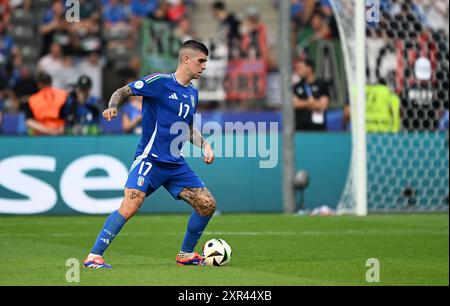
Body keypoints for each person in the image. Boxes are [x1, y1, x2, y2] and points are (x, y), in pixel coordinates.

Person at [83, 40, 216, 269]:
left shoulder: (192, 94)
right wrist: (113, 106)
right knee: (130, 205)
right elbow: (124, 90)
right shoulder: (160, 82)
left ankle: (186, 255)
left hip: (175, 165)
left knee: (207, 204)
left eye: (205, 61)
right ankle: (94, 257)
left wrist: (205, 145)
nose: (204, 66)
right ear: (186, 59)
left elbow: (186, 128)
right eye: (201, 61)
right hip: (150, 160)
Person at [292, 59, 330, 131]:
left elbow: (323, 105)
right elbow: (294, 104)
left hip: (319, 130)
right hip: (300, 131)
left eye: (300, 68)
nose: (297, 71)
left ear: (309, 68)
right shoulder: (296, 86)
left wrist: (303, 104)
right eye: (296, 68)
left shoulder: (322, 84)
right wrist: (310, 103)